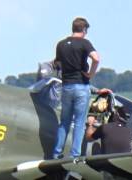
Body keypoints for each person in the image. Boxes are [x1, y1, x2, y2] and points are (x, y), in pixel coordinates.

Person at [52, 17, 101, 159]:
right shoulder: (85, 43)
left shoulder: (61, 44)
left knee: (64, 122)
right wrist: (91, 73)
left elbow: (57, 64)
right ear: (84, 30)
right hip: (81, 86)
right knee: (79, 122)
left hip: (66, 86)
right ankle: (74, 155)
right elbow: (96, 58)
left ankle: (57, 153)